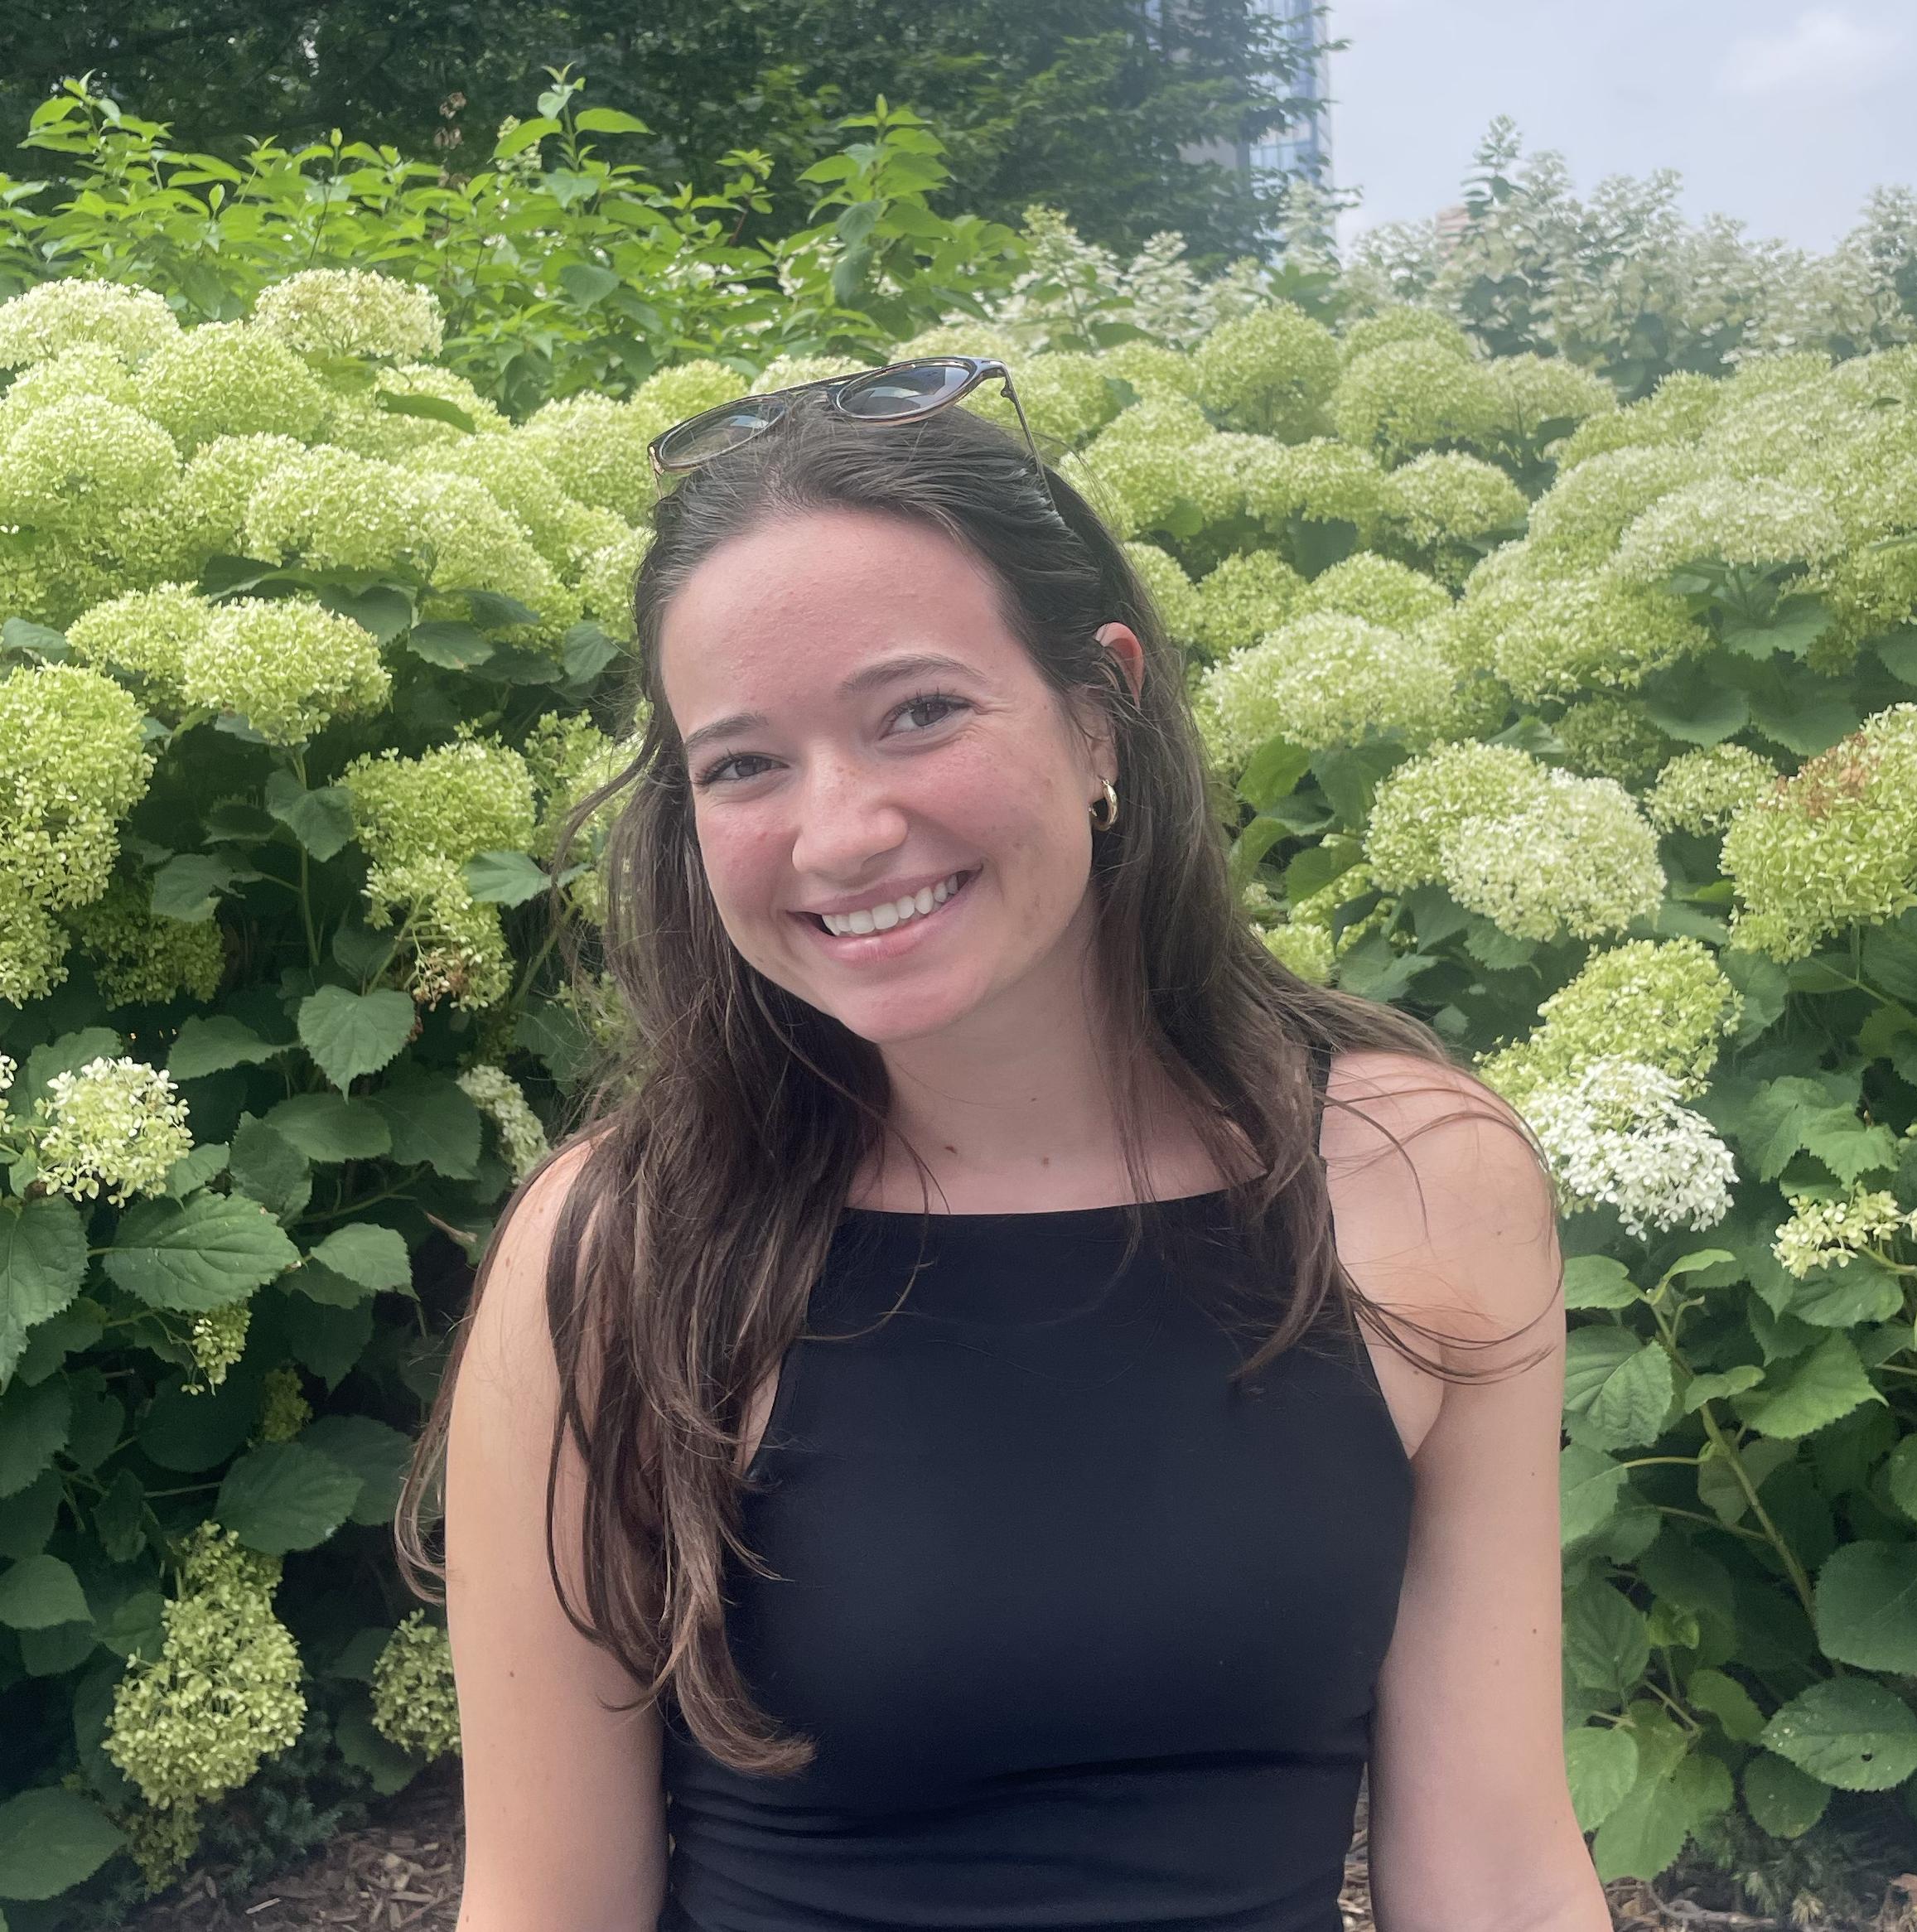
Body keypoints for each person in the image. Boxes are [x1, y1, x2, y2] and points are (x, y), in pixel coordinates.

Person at [399, 358, 1610, 1931]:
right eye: (745, 763)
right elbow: (545, 1907)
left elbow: (1502, 1873)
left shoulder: (1419, 1180)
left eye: (919, 714)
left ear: (1103, 711)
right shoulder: (623, 1251)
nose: (840, 833)